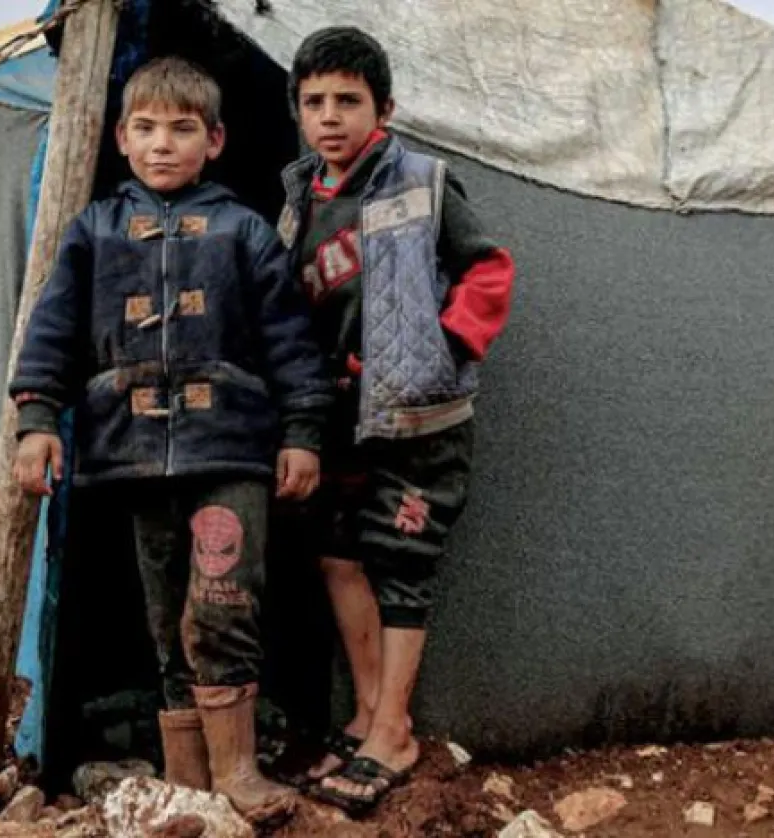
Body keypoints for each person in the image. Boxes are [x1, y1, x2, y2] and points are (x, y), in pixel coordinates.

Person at [9, 56, 331, 821]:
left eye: (183, 128)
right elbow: (52, 331)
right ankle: (188, 783)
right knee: (166, 620)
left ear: (215, 140)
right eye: (147, 127)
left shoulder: (243, 233)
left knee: (223, 604)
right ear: (119, 137)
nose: (163, 144)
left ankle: (238, 775)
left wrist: (305, 432)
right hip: (134, 455)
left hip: (229, 453)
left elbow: (290, 340)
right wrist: (35, 421)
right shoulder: (93, 231)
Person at [277, 27, 515, 815]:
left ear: (385, 106)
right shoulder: (297, 197)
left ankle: (393, 736)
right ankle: (376, 718)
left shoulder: (422, 179)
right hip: (339, 418)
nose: (330, 116)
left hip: (419, 418)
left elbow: (488, 269)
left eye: (348, 100)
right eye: (314, 102)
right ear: (298, 112)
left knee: (401, 559)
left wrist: (443, 349)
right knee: (340, 558)